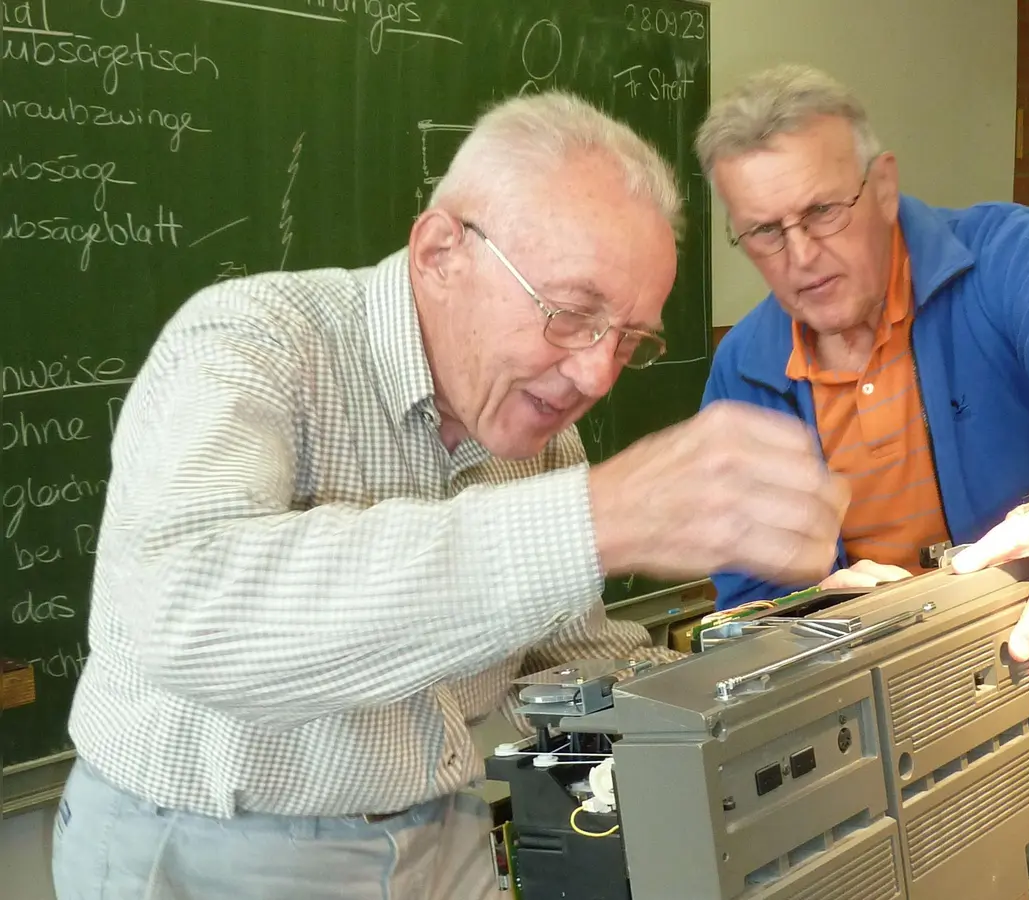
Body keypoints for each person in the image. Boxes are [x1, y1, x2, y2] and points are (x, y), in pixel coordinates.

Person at [52, 92, 848, 900]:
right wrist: (597, 517)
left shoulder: (532, 432)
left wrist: (769, 676)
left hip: (446, 831)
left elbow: (560, 658)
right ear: (440, 252)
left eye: (631, 341)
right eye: (573, 313)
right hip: (213, 849)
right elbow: (190, 611)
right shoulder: (252, 340)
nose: (596, 376)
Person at [695, 65, 1029, 683]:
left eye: (822, 211)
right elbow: (749, 609)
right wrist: (814, 608)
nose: (801, 257)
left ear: (881, 186)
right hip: (879, 702)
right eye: (766, 230)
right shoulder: (744, 372)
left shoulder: (1005, 254)